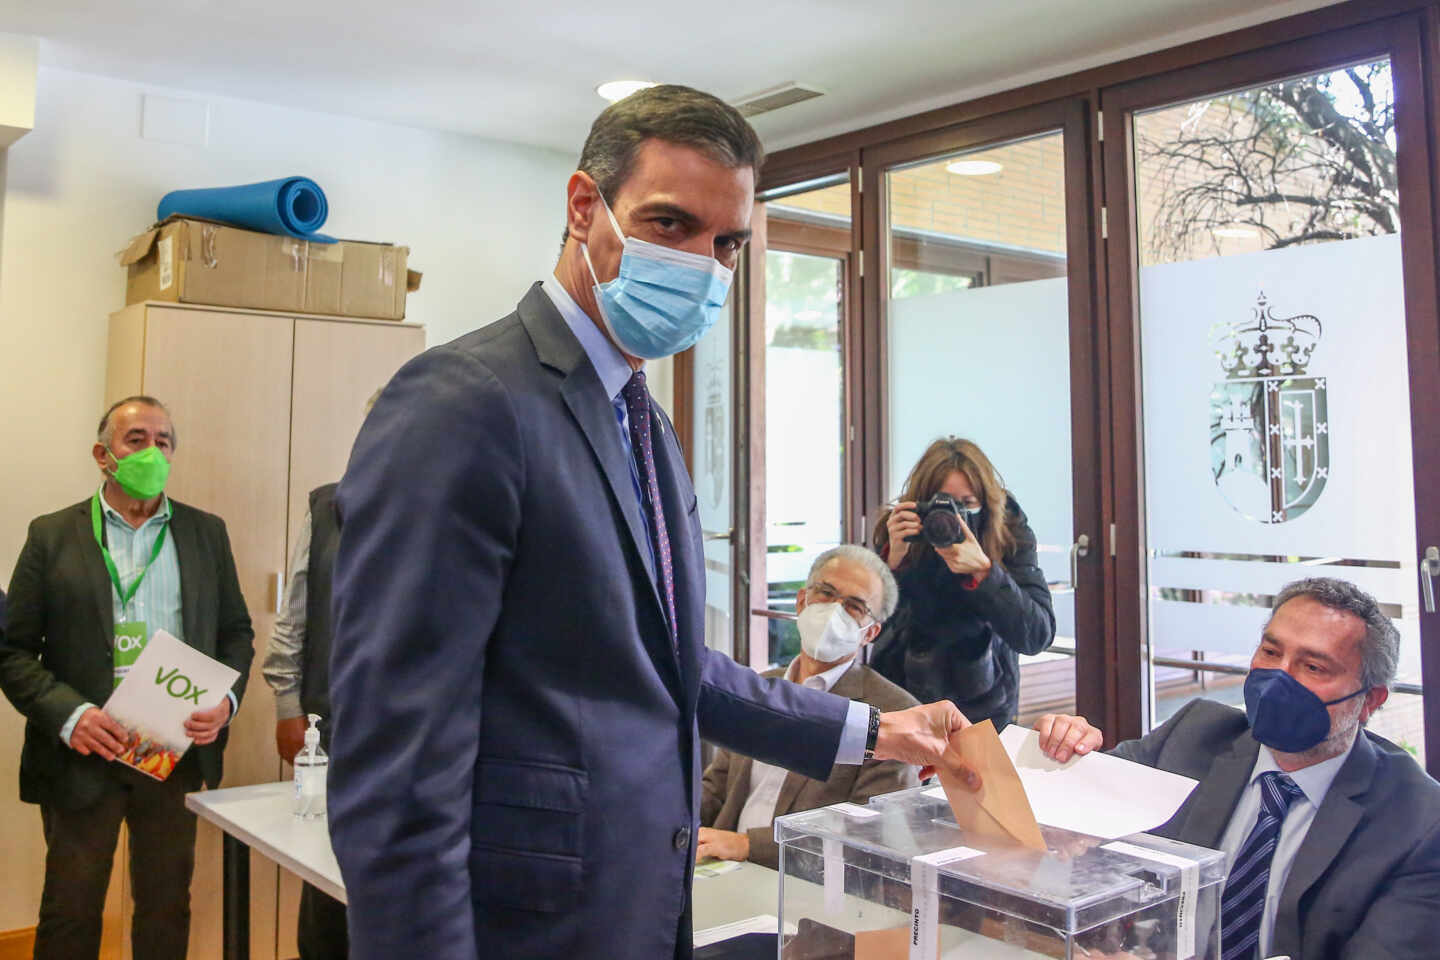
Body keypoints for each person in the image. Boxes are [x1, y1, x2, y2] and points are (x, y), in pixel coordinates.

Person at [327, 84, 976, 960]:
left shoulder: (643, 418)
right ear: (583, 206)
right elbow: (398, 765)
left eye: (728, 244)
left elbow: (669, 670)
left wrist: (872, 730)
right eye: (671, 225)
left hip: (636, 904)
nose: (704, 267)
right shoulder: (466, 401)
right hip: (523, 923)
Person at [1036, 577, 1440, 960]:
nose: (1278, 677)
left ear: (1370, 701)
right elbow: (1067, 815)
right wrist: (1059, 753)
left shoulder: (1419, 825)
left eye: (1313, 667)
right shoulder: (1195, 734)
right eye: (1270, 652)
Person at [0, 396, 254, 960]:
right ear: (103, 454)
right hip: (83, 751)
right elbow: (13, 652)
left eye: (164, 441)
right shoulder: (51, 535)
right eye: (136, 439)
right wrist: (70, 715)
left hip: (171, 750)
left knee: (166, 906)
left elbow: (236, 633)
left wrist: (226, 702)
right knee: (70, 909)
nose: (152, 451)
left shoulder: (206, 533)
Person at [698, 545, 920, 868]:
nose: (834, 611)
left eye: (854, 606)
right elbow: (715, 788)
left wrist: (748, 845)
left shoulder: (890, 716)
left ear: (870, 632)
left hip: (801, 889)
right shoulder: (760, 689)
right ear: (801, 600)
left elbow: (867, 836)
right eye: (826, 593)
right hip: (718, 867)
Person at [869, 437, 1055, 728]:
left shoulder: (1008, 532)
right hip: (900, 698)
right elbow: (866, 628)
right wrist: (891, 565)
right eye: (943, 503)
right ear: (921, 501)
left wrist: (985, 573)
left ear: (986, 501)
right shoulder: (900, 530)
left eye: (966, 504)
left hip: (985, 704)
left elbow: (1036, 636)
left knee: (975, 774)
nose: (953, 516)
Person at [261, 481, 346, 960]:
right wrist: (287, 704)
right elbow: (294, 611)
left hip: (425, 734)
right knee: (325, 883)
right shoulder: (327, 506)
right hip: (332, 727)